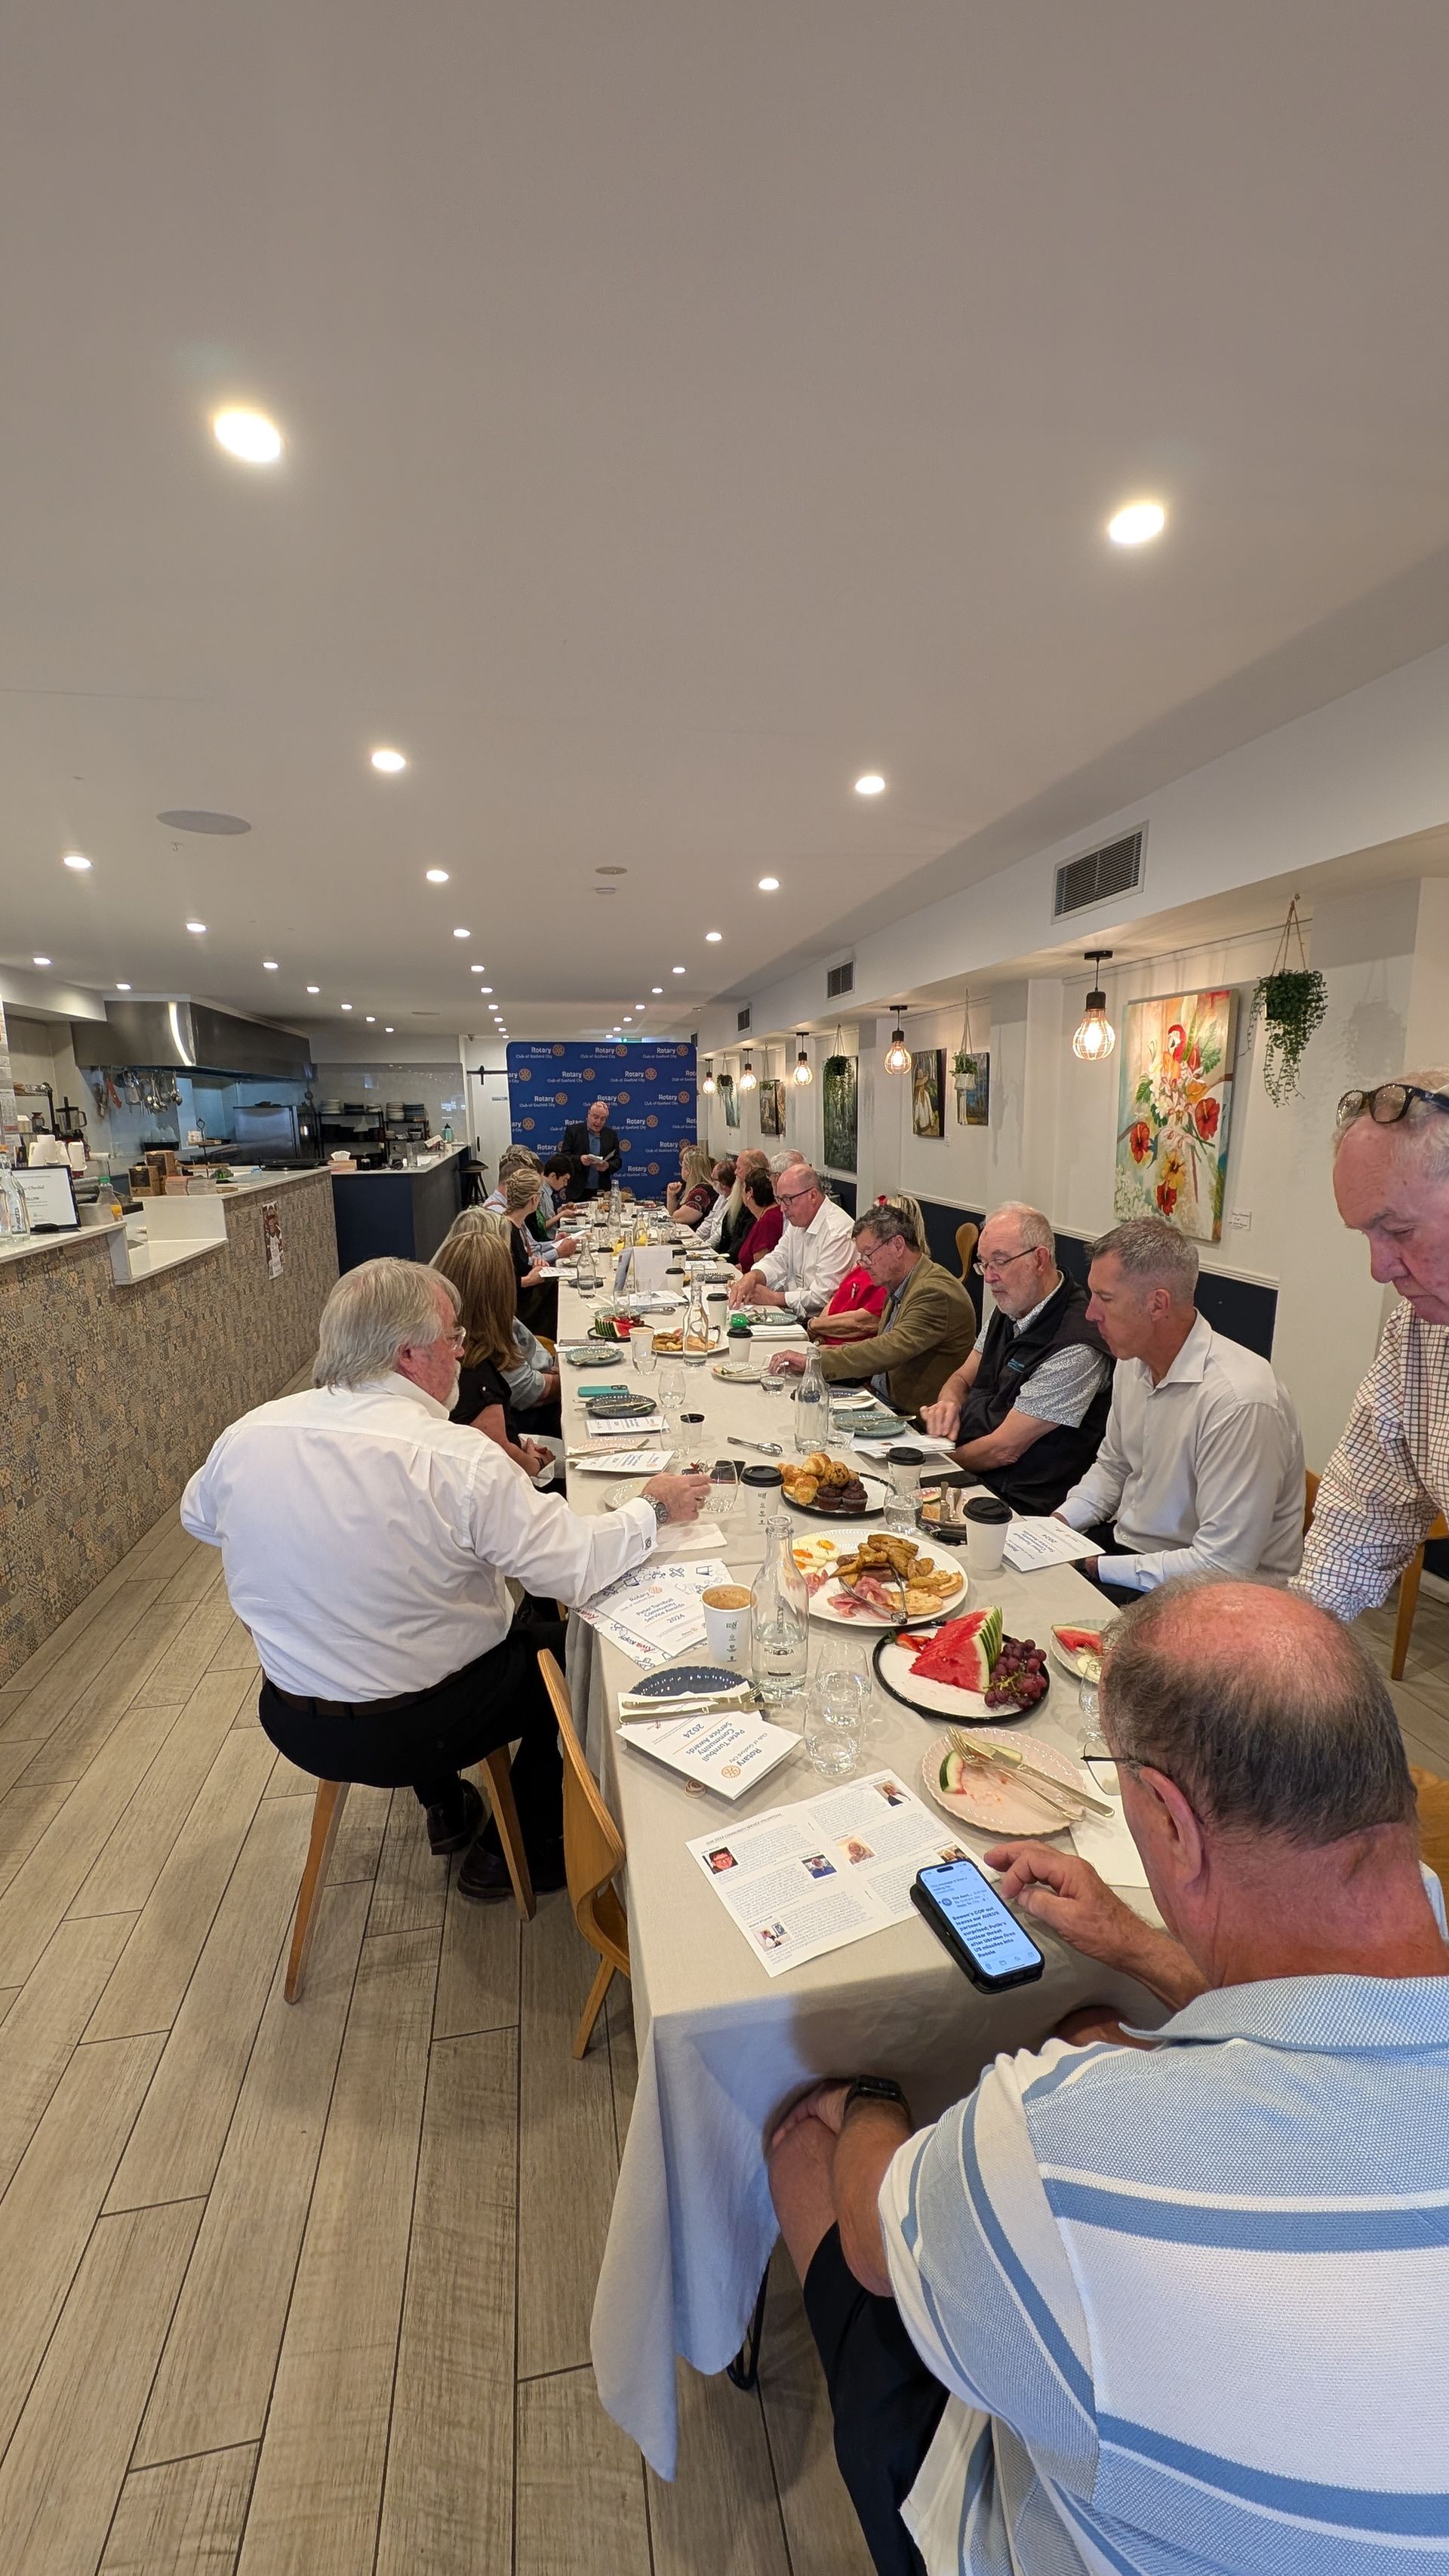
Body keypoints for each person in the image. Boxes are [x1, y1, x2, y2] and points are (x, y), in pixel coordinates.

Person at [768, 1577, 1449, 2575]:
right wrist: (1135, 1945)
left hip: (1037, 2540)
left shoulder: (1059, 2145)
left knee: (806, 2137)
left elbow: (875, 2242)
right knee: (1093, 2023)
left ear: (1170, 1821)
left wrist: (871, 2097)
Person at [180, 1259, 708, 1904]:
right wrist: (651, 1506)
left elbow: (199, 1517)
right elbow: (576, 1567)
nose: (461, 1354)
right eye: (453, 1339)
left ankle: (446, 1802)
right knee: (573, 1653)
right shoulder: (454, 1457)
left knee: (404, 1620)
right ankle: (519, 1852)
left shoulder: (246, 1435)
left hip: (293, 1715)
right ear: (407, 1354)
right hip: (420, 1721)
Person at [1056, 1216, 1303, 1594]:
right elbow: (1114, 1466)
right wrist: (1058, 1524)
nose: (1091, 1314)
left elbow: (1222, 1565)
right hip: (1135, 1558)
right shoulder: (1133, 1361)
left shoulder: (1239, 1400)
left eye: (1105, 1299)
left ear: (1158, 1304)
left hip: (1216, 1600)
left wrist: (1096, 1567)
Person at [1296, 1071, 1449, 1618]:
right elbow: (1364, 1511)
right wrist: (1297, 1635)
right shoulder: (1418, 1329)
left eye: (1400, 1232)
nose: (1379, 1269)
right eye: (1366, 1235)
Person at [921, 1203, 1111, 1513]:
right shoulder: (1010, 1308)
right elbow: (961, 1378)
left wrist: (933, 1468)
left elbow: (1004, 1449)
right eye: (983, 1263)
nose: (988, 1278)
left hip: (1019, 1504)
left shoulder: (1077, 1343)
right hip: (973, 1476)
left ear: (1039, 1260)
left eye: (1000, 1262)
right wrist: (948, 1406)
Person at [769, 1205, 977, 1414]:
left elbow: (887, 1349)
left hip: (911, 1417)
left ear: (897, 1245)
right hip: (879, 1398)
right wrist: (820, 1354)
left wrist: (816, 1361)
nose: (864, 1265)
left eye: (868, 1254)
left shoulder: (934, 1293)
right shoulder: (901, 1282)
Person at [732, 1162, 855, 1319]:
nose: (782, 1208)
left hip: (818, 1324)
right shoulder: (799, 1221)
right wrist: (755, 1275)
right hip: (793, 1314)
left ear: (812, 1196)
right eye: (780, 1199)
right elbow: (779, 1258)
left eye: (788, 1199)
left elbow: (823, 1297)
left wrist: (775, 1298)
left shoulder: (837, 1231)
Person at [715, 1149, 770, 1263]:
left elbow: (744, 1241)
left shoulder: (758, 1203)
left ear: (751, 1170)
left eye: (739, 1168)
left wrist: (722, 1260)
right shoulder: (738, 1194)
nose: (735, 1172)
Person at [561, 1098, 622, 1196]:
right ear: (589, 1114)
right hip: (578, 1190)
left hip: (602, 1190)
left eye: (603, 1119)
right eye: (596, 1117)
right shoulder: (574, 1131)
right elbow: (564, 1158)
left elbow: (618, 1161)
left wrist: (608, 1166)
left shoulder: (611, 1134)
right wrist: (580, 1159)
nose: (598, 1122)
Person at [734, 1167, 783, 1271]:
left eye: (743, 1188)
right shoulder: (766, 1216)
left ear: (750, 1192)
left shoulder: (769, 1221)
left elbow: (761, 1267)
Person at [666, 1143, 718, 1224]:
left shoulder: (702, 1192)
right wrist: (671, 1196)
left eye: (682, 1166)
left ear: (687, 1170)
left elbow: (678, 1218)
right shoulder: (694, 1188)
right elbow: (673, 1214)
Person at [694, 1157, 737, 1251]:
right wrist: (695, 1240)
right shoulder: (721, 1196)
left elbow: (719, 1234)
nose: (712, 1182)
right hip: (709, 1246)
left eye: (713, 1179)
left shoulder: (735, 1203)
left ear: (723, 1184)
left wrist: (704, 1248)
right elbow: (709, 1221)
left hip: (719, 1249)